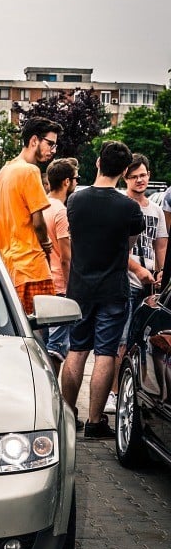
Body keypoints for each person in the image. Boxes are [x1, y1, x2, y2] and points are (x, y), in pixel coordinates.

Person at [61, 141, 145, 440]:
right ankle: (96, 422)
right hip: (112, 288)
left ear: (97, 163)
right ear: (125, 172)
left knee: (76, 349)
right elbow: (131, 244)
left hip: (80, 288)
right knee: (106, 353)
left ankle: (68, 418)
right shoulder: (129, 208)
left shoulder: (75, 201)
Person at [106, 153, 167, 412]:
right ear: (125, 178)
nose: (139, 180)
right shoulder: (120, 204)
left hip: (150, 283)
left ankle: (139, 391)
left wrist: (163, 271)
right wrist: (138, 269)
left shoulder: (154, 209)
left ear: (149, 176)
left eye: (143, 175)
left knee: (141, 342)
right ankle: (114, 392)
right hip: (127, 280)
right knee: (121, 340)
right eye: (134, 176)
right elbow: (116, 246)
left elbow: (161, 243)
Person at [0, 116, 63, 314]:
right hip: (31, 266)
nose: (53, 151)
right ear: (34, 141)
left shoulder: (4, 172)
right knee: (37, 334)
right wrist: (47, 244)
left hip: (7, 268)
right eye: (50, 144)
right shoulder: (30, 171)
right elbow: (38, 221)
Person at [43, 157, 79, 376]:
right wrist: (72, 286)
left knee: (43, 344)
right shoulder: (60, 212)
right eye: (75, 179)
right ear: (66, 182)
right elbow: (66, 257)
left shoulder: (41, 206)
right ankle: (53, 393)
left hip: (41, 280)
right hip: (59, 285)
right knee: (56, 349)